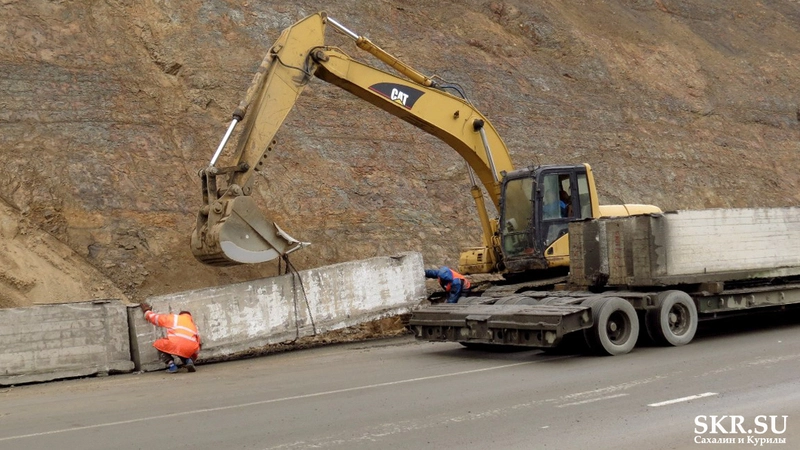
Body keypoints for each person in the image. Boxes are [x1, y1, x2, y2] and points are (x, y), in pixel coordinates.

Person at [140, 302, 201, 373]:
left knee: (159, 344)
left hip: (176, 344)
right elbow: (197, 345)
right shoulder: (193, 326)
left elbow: (157, 319)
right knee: (184, 349)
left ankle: (172, 365)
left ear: (180, 315)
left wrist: (147, 311)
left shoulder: (175, 318)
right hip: (189, 348)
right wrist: (193, 358)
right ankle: (188, 361)